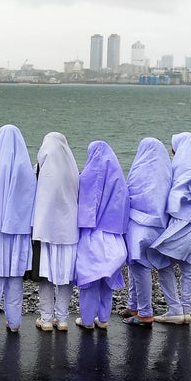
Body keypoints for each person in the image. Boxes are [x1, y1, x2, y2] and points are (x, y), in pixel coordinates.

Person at [0, 125, 36, 333]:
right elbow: (33, 202)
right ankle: (14, 323)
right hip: (18, 234)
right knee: (14, 282)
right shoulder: (26, 169)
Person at [148, 133, 191, 324]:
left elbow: (175, 194)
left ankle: (175, 309)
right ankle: (186, 310)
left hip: (182, 220)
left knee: (161, 259)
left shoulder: (181, 164)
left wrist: (166, 211)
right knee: (188, 265)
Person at [75, 141, 129, 330]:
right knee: (108, 280)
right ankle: (104, 319)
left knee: (90, 279)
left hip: (93, 235)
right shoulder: (119, 177)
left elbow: (84, 205)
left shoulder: (89, 174)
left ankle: (88, 320)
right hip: (114, 236)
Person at [121, 138, 171, 327]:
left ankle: (144, 312)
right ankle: (133, 306)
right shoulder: (166, 172)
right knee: (137, 265)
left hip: (139, 224)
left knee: (138, 266)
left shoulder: (139, 170)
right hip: (159, 225)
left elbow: (129, 193)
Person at [32, 132, 79, 332]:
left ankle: (46, 318)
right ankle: (62, 319)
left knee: (46, 275)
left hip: (46, 231)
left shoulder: (40, 170)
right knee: (65, 275)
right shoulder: (73, 169)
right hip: (69, 231)